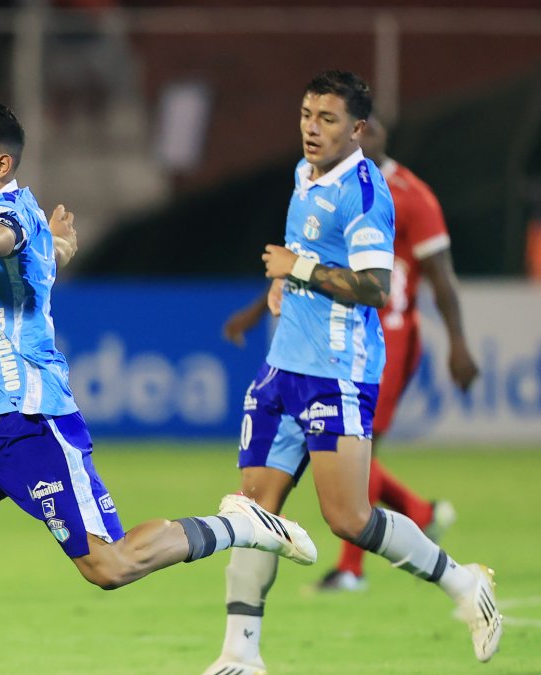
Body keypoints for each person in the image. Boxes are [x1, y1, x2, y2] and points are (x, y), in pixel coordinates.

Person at [0, 101, 318, 675]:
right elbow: (20, 265)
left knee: (108, 566)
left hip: (32, 423)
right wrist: (55, 254)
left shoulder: (8, 215)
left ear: (2, 165)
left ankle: (240, 524)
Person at [203, 71, 501, 675]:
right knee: (252, 511)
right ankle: (240, 655)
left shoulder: (366, 194)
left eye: (328, 118)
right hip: (282, 368)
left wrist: (301, 269)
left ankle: (466, 586)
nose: (313, 127)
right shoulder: (301, 172)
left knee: (349, 518)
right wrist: (283, 279)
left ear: (358, 129)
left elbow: (375, 286)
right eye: (307, 114)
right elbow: (298, 252)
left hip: (337, 374)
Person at [222, 112, 479, 593]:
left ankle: (354, 567)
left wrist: (459, 344)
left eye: (363, 128)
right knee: (344, 456)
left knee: (354, 459)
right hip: (323, 337)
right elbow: (300, 258)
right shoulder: (318, 182)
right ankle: (420, 514)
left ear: (368, 133)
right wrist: (259, 308)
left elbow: (441, 278)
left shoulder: (410, 196)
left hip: (385, 339)